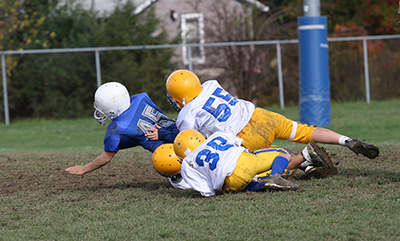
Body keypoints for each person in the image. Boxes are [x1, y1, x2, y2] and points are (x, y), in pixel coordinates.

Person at [165, 69, 379, 177]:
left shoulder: (187, 115)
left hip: (243, 137)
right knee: (306, 131)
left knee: (256, 170)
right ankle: (346, 140)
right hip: (260, 116)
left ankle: (302, 160)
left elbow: (191, 144)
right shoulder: (211, 84)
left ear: (178, 97)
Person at [65, 82, 180, 176]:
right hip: (181, 132)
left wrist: (84, 169)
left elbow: (106, 157)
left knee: (161, 161)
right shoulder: (140, 98)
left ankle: (179, 177)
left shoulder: (118, 128)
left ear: (112, 110)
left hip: (172, 153)